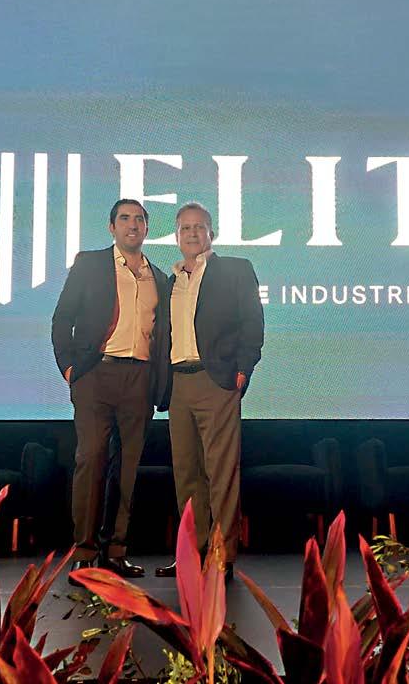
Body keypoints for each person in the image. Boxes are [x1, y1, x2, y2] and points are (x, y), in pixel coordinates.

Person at [52, 199, 169, 578]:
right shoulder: (90, 264)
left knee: (128, 467)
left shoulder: (159, 278)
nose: (132, 225)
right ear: (112, 227)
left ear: (147, 228)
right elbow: (62, 319)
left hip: (140, 379)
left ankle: (115, 551)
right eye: (124, 218)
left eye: (139, 219)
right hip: (95, 375)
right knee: (91, 459)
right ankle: (85, 552)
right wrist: (69, 368)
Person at [155, 202, 264, 580]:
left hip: (216, 381)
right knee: (186, 474)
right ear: (176, 236)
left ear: (211, 233)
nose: (192, 233)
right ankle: (193, 553)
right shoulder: (170, 281)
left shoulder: (235, 270)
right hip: (178, 383)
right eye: (185, 228)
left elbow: (253, 323)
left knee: (221, 473)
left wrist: (243, 370)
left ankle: (222, 555)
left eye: (198, 227)